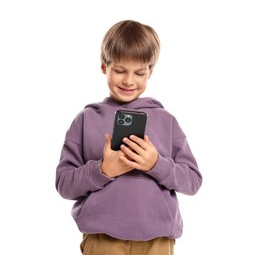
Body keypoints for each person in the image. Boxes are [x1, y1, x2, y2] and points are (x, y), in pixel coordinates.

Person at [55, 19, 202, 255]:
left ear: (150, 72)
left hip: (158, 241)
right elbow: (64, 185)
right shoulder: (86, 120)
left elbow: (193, 181)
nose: (128, 81)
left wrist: (156, 164)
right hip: (103, 240)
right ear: (104, 66)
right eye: (120, 70)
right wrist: (102, 170)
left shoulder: (167, 121)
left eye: (139, 72)